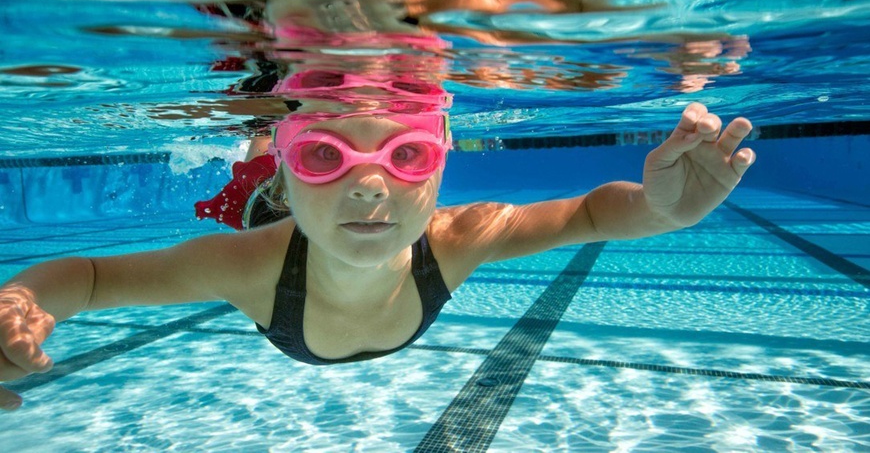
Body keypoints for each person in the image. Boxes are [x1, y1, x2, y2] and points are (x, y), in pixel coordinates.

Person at [0, 101, 755, 411]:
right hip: (270, 212)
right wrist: (24, 302)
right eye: (328, 152)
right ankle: (269, 150)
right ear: (296, 179)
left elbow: (590, 212)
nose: (370, 184)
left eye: (407, 153)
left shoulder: (459, 238)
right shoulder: (250, 263)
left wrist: (658, 210)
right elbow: (93, 278)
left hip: (295, 205)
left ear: (440, 172)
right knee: (245, 182)